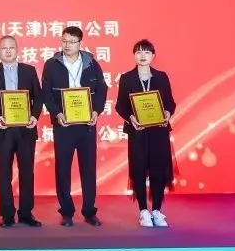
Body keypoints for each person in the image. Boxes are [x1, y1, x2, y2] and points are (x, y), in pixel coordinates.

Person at [41, 26, 109, 227]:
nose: (67, 45)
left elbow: (102, 89)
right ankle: (67, 212)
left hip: (86, 124)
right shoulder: (52, 64)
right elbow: (46, 93)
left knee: (88, 168)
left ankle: (89, 211)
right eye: (64, 41)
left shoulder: (91, 64)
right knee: (63, 168)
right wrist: (57, 114)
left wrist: (96, 111)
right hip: (63, 124)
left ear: (80, 43)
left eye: (72, 42)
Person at [0, 35, 43, 228]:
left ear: (17, 50)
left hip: (25, 129)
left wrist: (34, 116)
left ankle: (26, 213)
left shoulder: (29, 70)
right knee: (4, 173)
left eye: (11, 48)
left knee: (27, 172)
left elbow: (38, 96)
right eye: (4, 48)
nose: (8, 51)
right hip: (3, 129)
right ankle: (7, 214)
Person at [115, 39, 177, 228]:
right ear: (134, 55)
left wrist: (167, 114)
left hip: (158, 131)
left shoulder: (161, 77)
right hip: (138, 132)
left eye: (147, 52)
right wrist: (131, 118)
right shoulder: (126, 78)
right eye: (139, 52)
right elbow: (120, 106)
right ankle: (143, 211)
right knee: (139, 170)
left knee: (158, 169)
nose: (143, 56)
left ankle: (157, 210)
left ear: (153, 56)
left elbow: (170, 103)